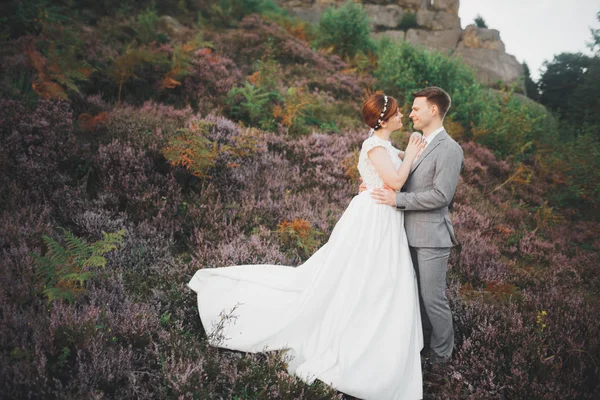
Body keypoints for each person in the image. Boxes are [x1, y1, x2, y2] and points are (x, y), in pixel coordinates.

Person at [188, 93, 426, 399]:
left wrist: (404, 160)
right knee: (361, 277)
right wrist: (409, 156)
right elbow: (394, 182)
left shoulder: (387, 147)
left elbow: (392, 180)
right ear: (384, 118)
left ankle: (379, 337)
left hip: (386, 218)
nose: (402, 115)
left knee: (383, 281)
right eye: (397, 112)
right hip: (373, 218)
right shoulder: (374, 145)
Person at [369, 87, 464, 365]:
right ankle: (420, 347)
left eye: (416, 108)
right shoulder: (416, 142)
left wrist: (398, 199)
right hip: (404, 233)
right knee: (413, 297)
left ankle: (441, 355)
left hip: (432, 236)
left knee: (432, 299)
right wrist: (373, 185)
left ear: (433, 110)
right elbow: (395, 170)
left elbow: (441, 196)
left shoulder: (449, 148)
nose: (410, 113)